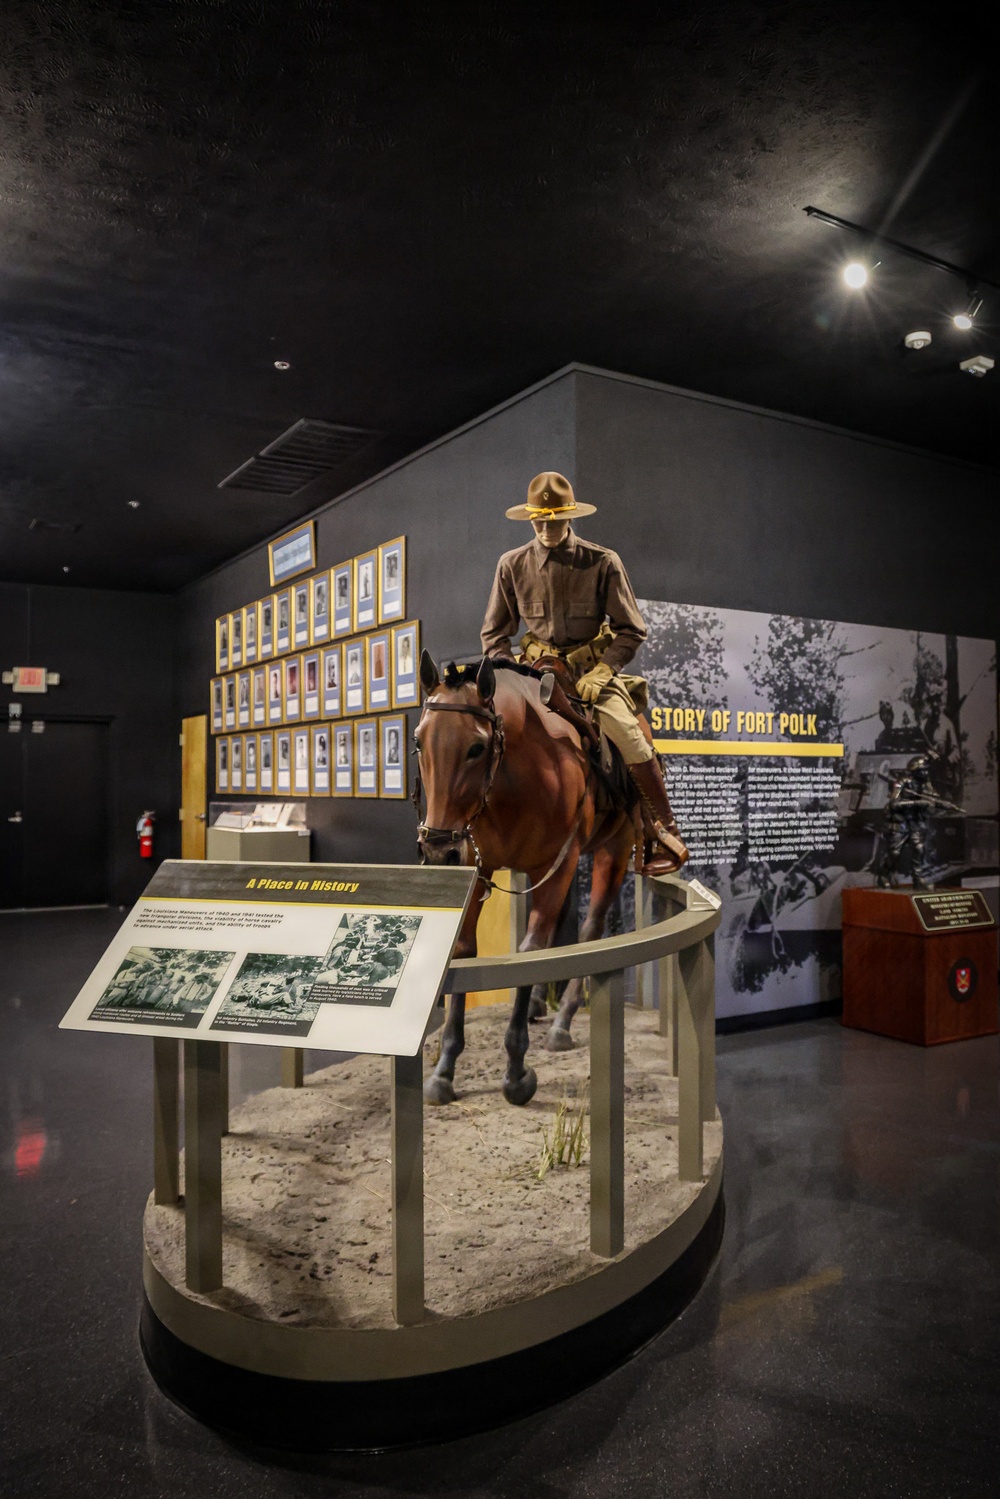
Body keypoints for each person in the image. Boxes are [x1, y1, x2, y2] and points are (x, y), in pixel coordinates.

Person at [481, 471, 688, 875]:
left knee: (630, 736)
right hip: (534, 673)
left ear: (569, 517)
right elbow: (494, 634)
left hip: (589, 676)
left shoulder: (601, 561)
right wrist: (510, 670)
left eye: (554, 520)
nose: (546, 528)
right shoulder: (512, 565)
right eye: (539, 520)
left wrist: (604, 670)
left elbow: (632, 629)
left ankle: (664, 830)